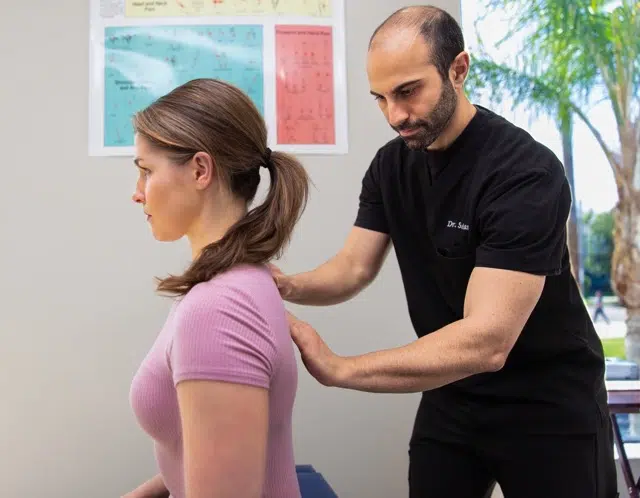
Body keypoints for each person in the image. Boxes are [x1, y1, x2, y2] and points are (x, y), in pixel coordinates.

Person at [271, 6, 618, 498]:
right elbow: (352, 268)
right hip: (453, 396)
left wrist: (341, 367)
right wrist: (280, 284)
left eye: (408, 92)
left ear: (458, 69)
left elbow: (487, 341)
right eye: (381, 98)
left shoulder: (524, 173)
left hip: (548, 403)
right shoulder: (392, 166)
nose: (394, 115)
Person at [122, 78, 309, 498]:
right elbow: (211, 451)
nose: (137, 194)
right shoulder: (239, 281)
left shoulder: (219, 309)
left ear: (200, 170)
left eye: (146, 171)